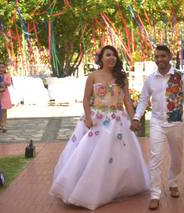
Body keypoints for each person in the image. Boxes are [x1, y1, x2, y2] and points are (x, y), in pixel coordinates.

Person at [50, 45, 150, 210]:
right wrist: (88, 117)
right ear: (101, 58)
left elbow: (127, 102)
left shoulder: (121, 77)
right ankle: (86, 189)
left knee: (118, 157)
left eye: (114, 55)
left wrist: (134, 119)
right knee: (90, 155)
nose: (112, 58)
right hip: (97, 120)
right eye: (108, 55)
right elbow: (85, 99)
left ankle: (115, 187)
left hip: (118, 120)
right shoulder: (93, 76)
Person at [131, 45, 184, 210]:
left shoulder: (181, 77)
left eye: (163, 56)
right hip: (157, 123)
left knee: (177, 158)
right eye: (157, 56)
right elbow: (144, 99)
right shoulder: (151, 78)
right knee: (155, 159)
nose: (160, 59)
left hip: (176, 123)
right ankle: (155, 195)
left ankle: (173, 182)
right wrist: (137, 117)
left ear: (170, 57)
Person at [0, 63, 12, 133]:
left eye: (3, 67)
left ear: (5, 68)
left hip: (5, 93)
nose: (1, 69)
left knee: (4, 110)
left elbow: (9, 83)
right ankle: (0, 124)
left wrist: (3, 79)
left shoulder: (7, 75)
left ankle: (4, 124)